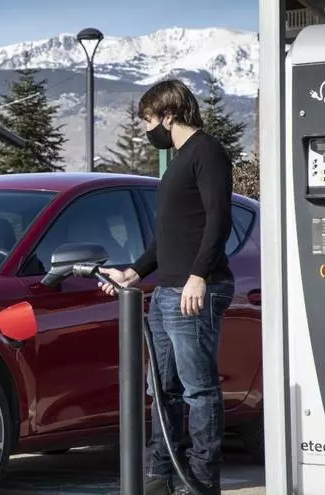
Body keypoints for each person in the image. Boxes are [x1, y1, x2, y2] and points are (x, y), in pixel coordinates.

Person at [99, 79, 235, 495]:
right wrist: (134, 274)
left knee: (198, 389)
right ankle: (162, 472)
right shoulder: (176, 161)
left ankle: (199, 479)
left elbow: (218, 220)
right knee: (162, 389)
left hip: (195, 290)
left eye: (148, 120)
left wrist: (199, 275)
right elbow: (168, 235)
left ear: (168, 115)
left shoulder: (206, 152)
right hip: (165, 293)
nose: (145, 130)